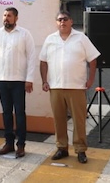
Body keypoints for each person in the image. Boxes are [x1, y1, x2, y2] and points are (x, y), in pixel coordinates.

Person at [40, 10, 100, 164]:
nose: (62, 22)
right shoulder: (50, 39)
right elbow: (43, 61)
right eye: (59, 19)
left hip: (76, 86)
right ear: (56, 22)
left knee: (79, 120)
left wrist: (91, 79)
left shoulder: (81, 38)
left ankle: (80, 150)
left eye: (65, 19)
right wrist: (44, 81)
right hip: (56, 86)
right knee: (59, 119)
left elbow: (93, 59)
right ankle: (62, 148)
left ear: (71, 21)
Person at [0, 7, 36, 158]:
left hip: (19, 81)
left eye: (9, 16)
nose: (6, 18)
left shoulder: (24, 34)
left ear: (16, 18)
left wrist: (29, 79)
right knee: (6, 113)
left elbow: (31, 57)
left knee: (19, 113)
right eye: (4, 15)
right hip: (2, 80)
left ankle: (21, 144)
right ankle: (9, 143)